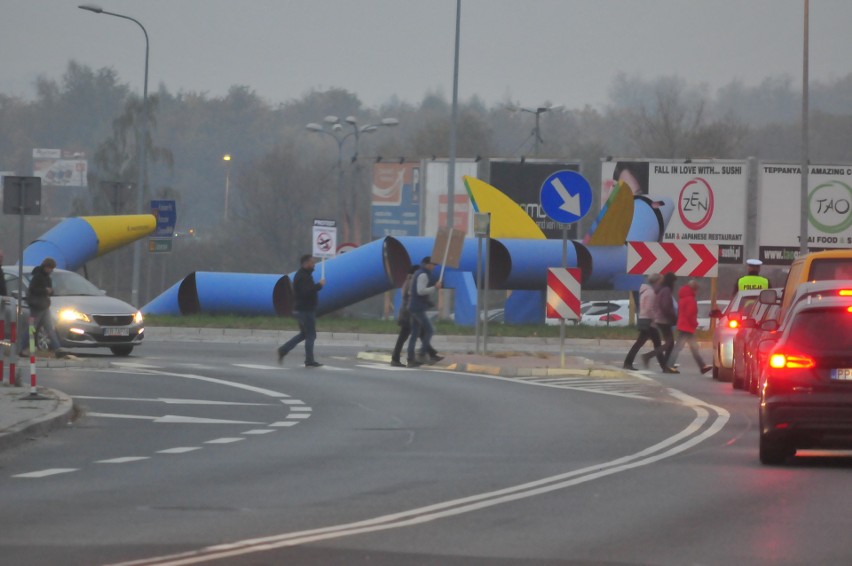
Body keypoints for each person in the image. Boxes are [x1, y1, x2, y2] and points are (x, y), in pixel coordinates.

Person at [277, 255, 325, 368]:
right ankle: (309, 360)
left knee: (304, 334)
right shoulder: (303, 277)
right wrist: (319, 285)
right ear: (306, 263)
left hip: (302, 309)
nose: (314, 266)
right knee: (311, 335)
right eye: (312, 263)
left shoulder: (304, 275)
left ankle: (283, 349)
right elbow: (306, 292)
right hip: (305, 310)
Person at [17, 257, 64, 357]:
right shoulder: (37, 276)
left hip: (44, 305)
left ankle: (57, 348)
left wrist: (50, 291)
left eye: (52, 268)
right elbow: (32, 289)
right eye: (49, 268)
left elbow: (49, 290)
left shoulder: (47, 277)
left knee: (49, 328)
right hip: (36, 306)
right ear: (45, 266)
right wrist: (45, 290)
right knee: (32, 328)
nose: (50, 270)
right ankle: (22, 348)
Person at [668, 279, 713, 374]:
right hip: (687, 327)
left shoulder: (683, 298)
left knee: (693, 348)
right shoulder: (691, 300)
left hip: (683, 326)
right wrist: (695, 324)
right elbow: (690, 315)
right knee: (680, 347)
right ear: (695, 290)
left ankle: (702, 366)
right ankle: (669, 365)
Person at [406, 256, 443, 367]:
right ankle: (421, 353)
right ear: (427, 264)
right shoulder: (423, 275)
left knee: (415, 334)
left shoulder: (417, 273)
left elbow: (410, 292)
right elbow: (420, 291)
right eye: (433, 265)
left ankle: (411, 359)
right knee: (430, 330)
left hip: (414, 306)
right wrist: (435, 287)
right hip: (418, 308)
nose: (434, 267)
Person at [623, 273, 666, 371]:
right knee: (652, 344)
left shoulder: (645, 292)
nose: (661, 284)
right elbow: (649, 309)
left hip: (645, 319)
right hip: (649, 322)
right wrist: (656, 318)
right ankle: (664, 367)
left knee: (651, 343)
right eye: (660, 282)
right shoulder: (651, 293)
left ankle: (664, 366)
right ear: (656, 282)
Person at [646, 271, 679, 373]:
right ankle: (664, 365)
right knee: (670, 344)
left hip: (660, 318)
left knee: (669, 343)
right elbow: (666, 306)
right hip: (664, 319)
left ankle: (665, 365)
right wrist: (673, 317)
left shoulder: (661, 290)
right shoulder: (666, 290)